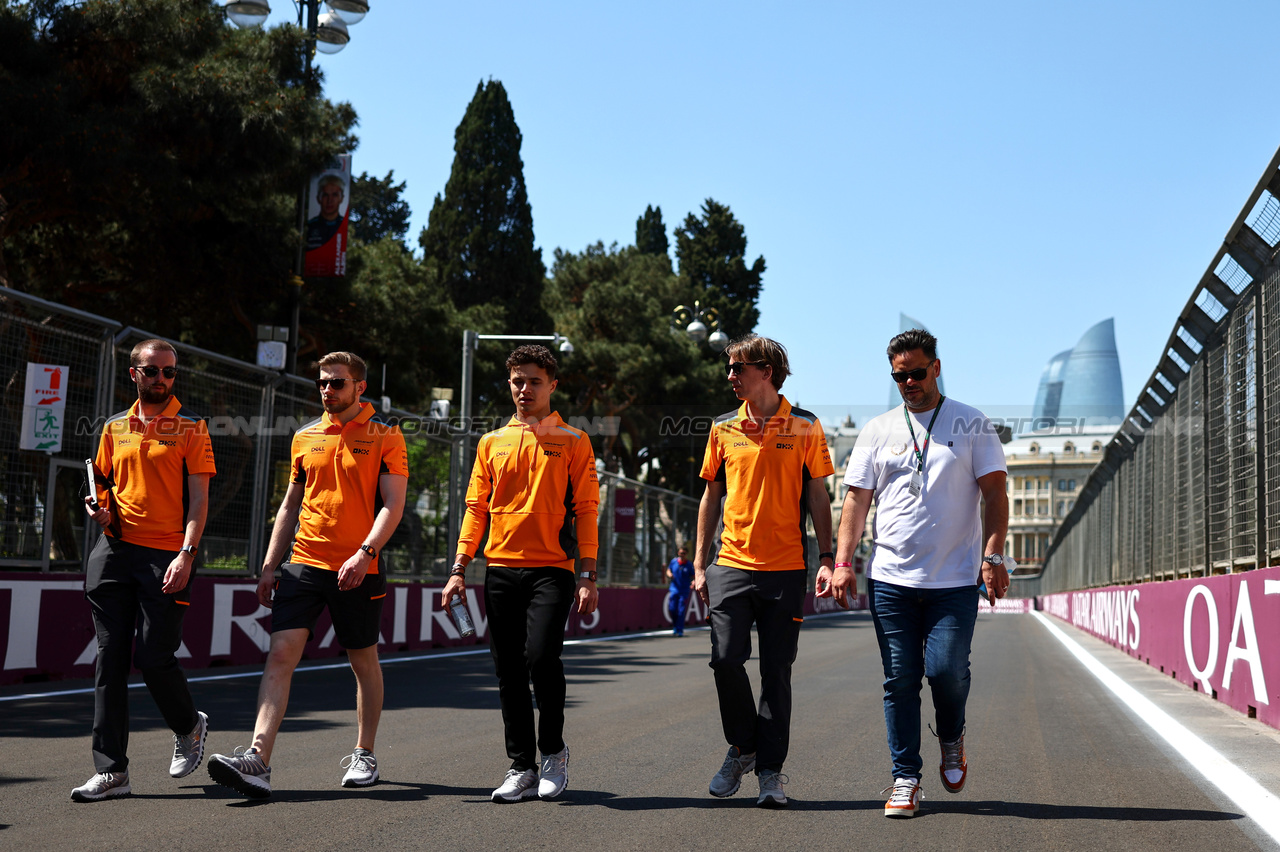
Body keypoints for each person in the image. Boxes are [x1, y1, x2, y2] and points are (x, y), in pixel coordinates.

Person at [817, 328, 1009, 819]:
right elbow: (856, 500)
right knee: (899, 679)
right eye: (900, 376)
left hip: (954, 582)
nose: (909, 383)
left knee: (946, 672)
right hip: (891, 581)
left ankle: (951, 736)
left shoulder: (970, 423)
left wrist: (993, 556)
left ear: (937, 368)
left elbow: (995, 495)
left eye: (917, 373)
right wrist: (842, 563)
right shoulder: (877, 429)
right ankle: (906, 778)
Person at [207, 351, 407, 799]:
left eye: (337, 383)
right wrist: (269, 564)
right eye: (322, 382)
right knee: (280, 654)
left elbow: (393, 505)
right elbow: (290, 505)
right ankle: (258, 760)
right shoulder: (305, 436)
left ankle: (365, 753)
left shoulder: (385, 436)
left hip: (360, 567)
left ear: (360, 388)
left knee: (363, 662)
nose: (327, 390)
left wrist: (365, 553)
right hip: (303, 563)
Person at [444, 344, 600, 803]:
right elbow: (476, 509)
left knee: (540, 658)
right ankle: (522, 766)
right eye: (517, 381)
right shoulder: (491, 442)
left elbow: (588, 510)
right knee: (508, 669)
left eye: (534, 381)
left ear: (552, 385)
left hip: (553, 570)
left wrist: (588, 573)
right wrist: (459, 568)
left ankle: (552, 752)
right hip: (500, 570)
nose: (525, 389)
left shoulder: (574, 440)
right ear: (508, 384)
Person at [693, 334, 834, 809]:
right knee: (725, 660)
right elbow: (711, 496)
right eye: (729, 369)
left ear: (766, 372)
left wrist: (829, 558)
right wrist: (699, 562)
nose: (730, 376)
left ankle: (770, 773)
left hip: (786, 569)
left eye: (738, 368)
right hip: (730, 565)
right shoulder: (722, 428)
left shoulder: (806, 426)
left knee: (777, 673)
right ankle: (745, 747)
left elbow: (818, 497)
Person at [73, 339, 215, 802]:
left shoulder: (193, 427)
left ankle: (189, 726)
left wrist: (187, 554)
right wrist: (99, 508)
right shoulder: (114, 427)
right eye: (153, 371)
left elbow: (198, 500)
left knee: (154, 658)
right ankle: (112, 771)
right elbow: (102, 484)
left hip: (168, 556)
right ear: (133, 373)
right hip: (113, 552)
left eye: (170, 373)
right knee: (109, 661)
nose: (162, 380)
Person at [305, 174, 346, 250]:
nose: (330, 200)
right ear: (318, 198)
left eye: (334, 195)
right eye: (325, 195)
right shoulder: (309, 226)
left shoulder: (344, 227)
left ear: (341, 198)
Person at [664, 546, 695, 636]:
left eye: (684, 553)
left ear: (686, 554)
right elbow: (668, 570)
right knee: (672, 609)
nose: (682, 555)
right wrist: (669, 574)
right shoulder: (673, 562)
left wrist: (693, 582)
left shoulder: (689, 565)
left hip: (684, 591)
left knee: (681, 610)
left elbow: (693, 576)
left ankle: (680, 629)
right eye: (681, 553)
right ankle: (675, 625)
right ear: (678, 553)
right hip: (674, 589)